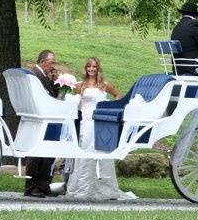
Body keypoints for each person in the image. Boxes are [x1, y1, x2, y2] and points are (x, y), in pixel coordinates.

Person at [66, 57, 137, 200]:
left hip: (100, 120)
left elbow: (117, 95)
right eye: (89, 67)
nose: (91, 69)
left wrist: (112, 110)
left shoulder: (104, 85)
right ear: (85, 68)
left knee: (102, 150)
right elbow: (75, 103)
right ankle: (83, 187)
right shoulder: (80, 85)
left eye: (94, 67)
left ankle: (106, 187)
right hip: (86, 121)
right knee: (85, 149)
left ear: (98, 68)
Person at [24, 50, 60, 198]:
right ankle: (32, 187)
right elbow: (44, 97)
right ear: (43, 61)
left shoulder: (42, 75)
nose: (53, 66)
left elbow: (51, 94)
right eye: (52, 63)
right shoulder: (35, 75)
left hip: (45, 116)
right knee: (37, 153)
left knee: (49, 152)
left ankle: (43, 185)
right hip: (40, 117)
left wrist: (56, 82)